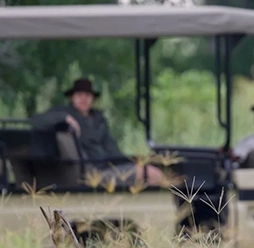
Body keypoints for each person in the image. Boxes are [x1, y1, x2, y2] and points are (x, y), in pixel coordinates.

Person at [28, 78, 164, 186]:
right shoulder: (64, 114)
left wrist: (133, 161)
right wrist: (64, 118)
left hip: (110, 165)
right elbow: (36, 121)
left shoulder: (99, 120)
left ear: (93, 99)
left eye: (87, 95)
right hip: (92, 172)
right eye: (79, 94)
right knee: (151, 174)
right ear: (72, 98)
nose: (84, 98)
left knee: (157, 171)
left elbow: (112, 150)